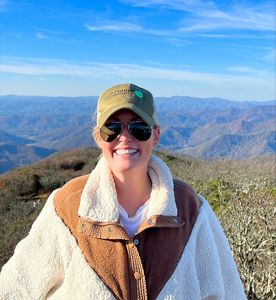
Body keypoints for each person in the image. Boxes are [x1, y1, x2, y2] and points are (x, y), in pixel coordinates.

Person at [0, 83, 246, 299]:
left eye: (139, 128)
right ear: (98, 136)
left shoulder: (192, 210)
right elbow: (15, 288)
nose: (125, 138)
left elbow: (228, 291)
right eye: (112, 128)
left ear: (156, 136)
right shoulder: (66, 209)